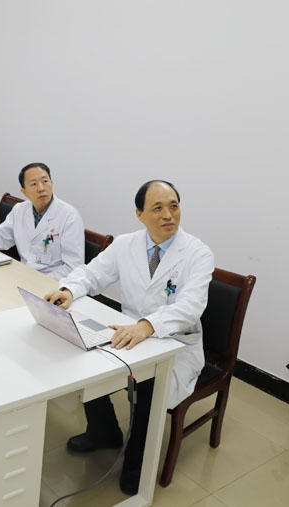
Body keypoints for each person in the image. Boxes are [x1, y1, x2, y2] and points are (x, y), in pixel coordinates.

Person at [43, 180, 214, 495]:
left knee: (148, 385)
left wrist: (147, 326)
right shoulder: (125, 244)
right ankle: (104, 431)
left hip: (176, 344)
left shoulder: (198, 253)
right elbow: (92, 274)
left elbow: (190, 307)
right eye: (157, 208)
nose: (168, 215)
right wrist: (68, 290)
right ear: (140, 214)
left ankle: (137, 462)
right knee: (83, 357)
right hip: (130, 333)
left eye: (174, 206)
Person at [0, 163, 85, 280]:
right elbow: (0, 235)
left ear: (52, 182)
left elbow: (73, 266)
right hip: (22, 275)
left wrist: (41, 281)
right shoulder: (20, 209)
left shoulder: (69, 216)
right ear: (24, 191)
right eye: (33, 184)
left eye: (45, 181)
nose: (41, 188)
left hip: (53, 282)